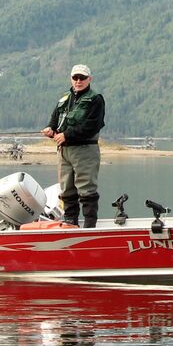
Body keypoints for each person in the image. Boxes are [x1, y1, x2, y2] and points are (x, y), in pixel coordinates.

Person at [42, 64, 106, 228]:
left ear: (89, 79)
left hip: (85, 150)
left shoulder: (95, 99)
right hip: (64, 151)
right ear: (71, 79)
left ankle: (90, 225)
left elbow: (92, 126)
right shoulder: (64, 99)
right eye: (75, 78)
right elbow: (55, 119)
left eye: (82, 78)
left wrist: (66, 135)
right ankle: (70, 222)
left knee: (86, 188)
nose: (78, 81)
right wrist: (51, 130)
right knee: (66, 189)